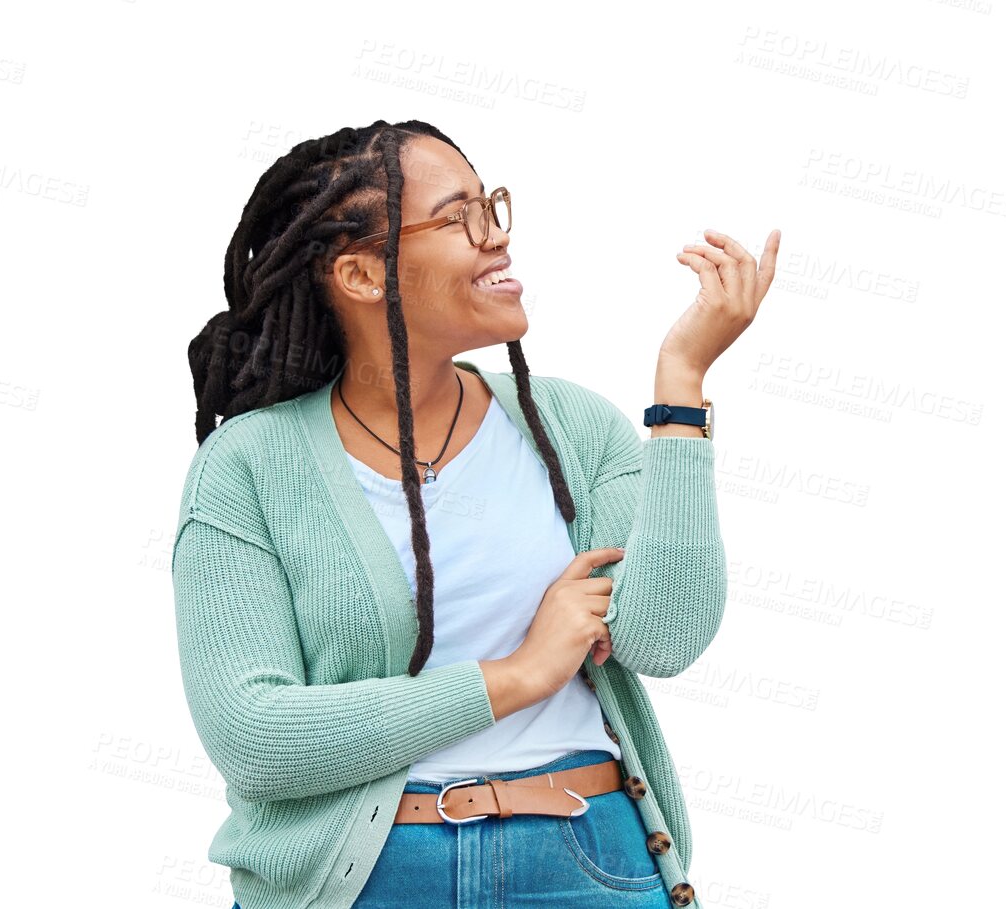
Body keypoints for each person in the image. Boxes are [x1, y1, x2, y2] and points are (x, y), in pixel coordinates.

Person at [172, 120, 779, 909]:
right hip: (367, 878)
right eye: (459, 216)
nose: (496, 238)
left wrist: (682, 384)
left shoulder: (571, 427)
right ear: (360, 273)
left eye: (491, 206)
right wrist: (516, 675)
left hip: (586, 861)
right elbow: (256, 739)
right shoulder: (249, 466)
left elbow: (662, 638)